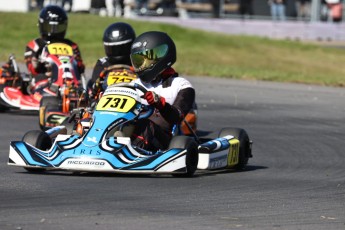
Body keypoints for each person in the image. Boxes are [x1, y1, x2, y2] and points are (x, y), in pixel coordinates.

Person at [129, 31, 195, 151]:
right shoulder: (133, 84)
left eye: (145, 60)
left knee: (144, 124)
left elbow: (177, 117)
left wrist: (160, 104)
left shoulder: (180, 85)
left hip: (165, 140)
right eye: (138, 61)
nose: (141, 65)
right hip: (130, 131)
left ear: (161, 56)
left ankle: (131, 153)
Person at [24, 5, 85, 84]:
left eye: (57, 27)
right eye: (50, 27)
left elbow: (80, 69)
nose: (53, 31)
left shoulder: (71, 46)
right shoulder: (36, 45)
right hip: (45, 80)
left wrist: (77, 63)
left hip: (70, 81)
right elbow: (32, 70)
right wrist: (37, 64)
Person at [88, 22, 136, 98]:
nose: (117, 52)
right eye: (113, 49)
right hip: (106, 100)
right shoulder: (102, 64)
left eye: (121, 49)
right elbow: (94, 85)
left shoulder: (136, 62)